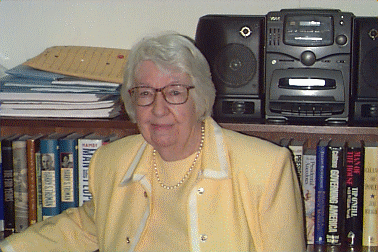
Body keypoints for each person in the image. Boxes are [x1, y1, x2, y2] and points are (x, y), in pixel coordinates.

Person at [0, 32, 306, 251]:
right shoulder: (112, 162)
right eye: (146, 93)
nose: (158, 110)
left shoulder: (264, 168)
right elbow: (86, 226)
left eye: (174, 92)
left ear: (199, 97)